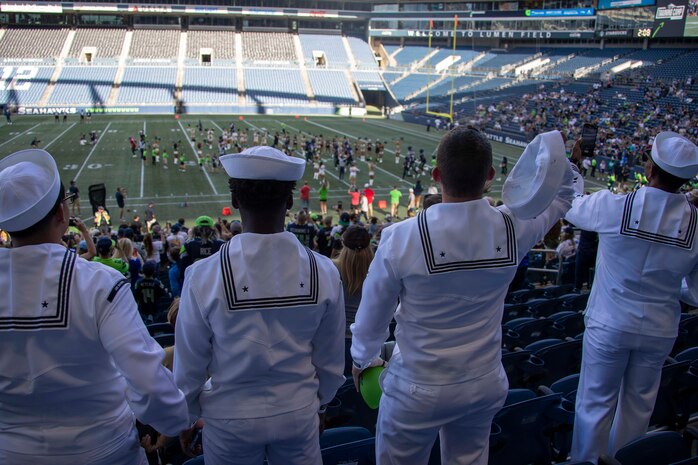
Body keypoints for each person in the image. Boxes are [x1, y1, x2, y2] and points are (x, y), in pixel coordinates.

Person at [350, 128, 582, 465]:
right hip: (483, 382)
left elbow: (371, 320)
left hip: (417, 387)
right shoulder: (514, 227)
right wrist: (570, 166)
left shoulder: (400, 237)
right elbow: (561, 199)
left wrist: (363, 359)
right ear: (490, 177)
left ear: (436, 175)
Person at [0, 148, 188, 465]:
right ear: (62, 214)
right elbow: (147, 381)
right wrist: (177, 422)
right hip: (104, 450)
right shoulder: (101, 283)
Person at [174, 146, 345, 465]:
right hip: (298, 413)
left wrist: (186, 417)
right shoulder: (324, 271)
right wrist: (317, 406)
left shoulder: (202, 275)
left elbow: (189, 368)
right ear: (291, 201)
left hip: (229, 421)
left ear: (235, 202)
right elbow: (332, 364)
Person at [567, 132, 698, 464]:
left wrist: (574, 167)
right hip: (659, 329)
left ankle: (586, 461)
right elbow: (695, 293)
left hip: (609, 323)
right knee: (638, 408)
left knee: (595, 403)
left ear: (649, 165)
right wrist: (670, 289)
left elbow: (571, 205)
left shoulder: (616, 205)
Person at [333, 225, 373, 337]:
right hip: (365, 339)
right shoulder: (377, 270)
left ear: (342, 243)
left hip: (335, 337)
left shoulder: (330, 268)